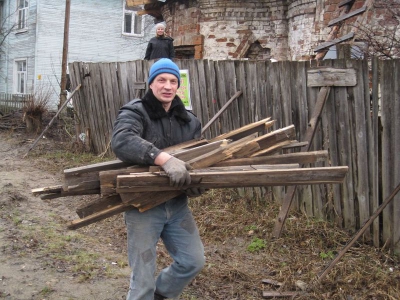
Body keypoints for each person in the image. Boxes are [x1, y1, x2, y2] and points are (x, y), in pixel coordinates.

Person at [111, 58, 205, 300]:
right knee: (142, 278)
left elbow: (196, 160)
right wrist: (163, 159)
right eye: (161, 80)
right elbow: (122, 141)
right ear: (151, 84)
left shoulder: (189, 120)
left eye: (173, 81)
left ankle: (161, 294)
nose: (168, 86)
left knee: (192, 261)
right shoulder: (136, 111)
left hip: (176, 206)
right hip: (143, 205)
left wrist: (195, 185)